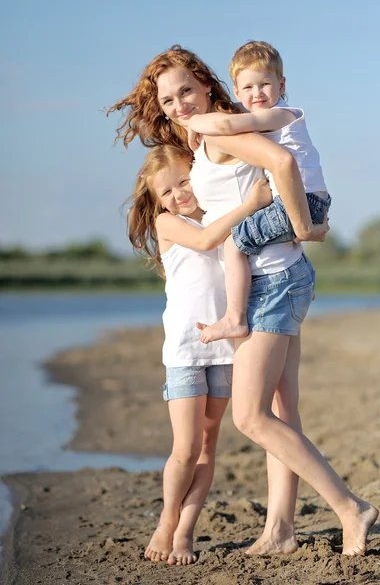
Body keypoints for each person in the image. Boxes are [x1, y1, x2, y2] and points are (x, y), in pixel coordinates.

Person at [109, 45, 378, 556]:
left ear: (207, 85)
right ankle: (280, 530)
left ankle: (350, 508)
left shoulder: (220, 127)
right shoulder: (207, 133)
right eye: (167, 100)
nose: (178, 104)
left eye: (186, 91)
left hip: (274, 281)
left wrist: (303, 225)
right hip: (277, 276)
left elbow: (280, 163)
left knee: (252, 418)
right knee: (282, 409)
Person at [126, 144, 272, 565]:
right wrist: (250, 204)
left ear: (196, 173)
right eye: (167, 190)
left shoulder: (218, 211)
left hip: (225, 348)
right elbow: (208, 239)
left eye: (183, 181)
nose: (179, 194)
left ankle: (186, 533)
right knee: (186, 448)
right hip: (186, 351)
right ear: (157, 200)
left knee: (209, 447)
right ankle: (167, 523)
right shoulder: (167, 223)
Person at [187, 40, 332, 343]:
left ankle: (234, 319)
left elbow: (228, 125)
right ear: (237, 93)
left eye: (265, 84)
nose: (258, 94)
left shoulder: (281, 114)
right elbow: (232, 121)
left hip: (298, 202)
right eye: (249, 88)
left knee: (235, 243)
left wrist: (193, 121)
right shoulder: (266, 115)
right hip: (308, 200)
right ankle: (303, 284)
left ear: (281, 84)